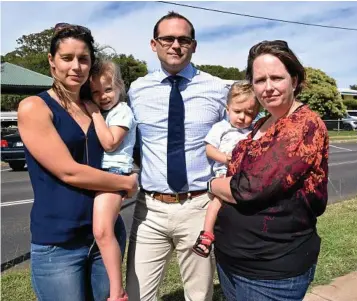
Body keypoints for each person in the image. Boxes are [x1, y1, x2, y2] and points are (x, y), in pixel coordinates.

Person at [17, 23, 138, 301]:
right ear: (52, 61)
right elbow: (68, 172)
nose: (76, 66)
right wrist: (126, 183)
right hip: (59, 242)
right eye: (67, 58)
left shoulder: (96, 106)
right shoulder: (35, 107)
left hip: (103, 235)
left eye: (83, 59)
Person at [207, 40, 329, 301]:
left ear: (294, 80)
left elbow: (251, 187)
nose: (268, 87)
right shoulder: (261, 122)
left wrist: (213, 185)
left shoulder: (304, 125)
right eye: (260, 80)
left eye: (276, 77)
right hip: (232, 259)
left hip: (271, 270)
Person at [125, 11, 229, 301]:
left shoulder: (217, 89)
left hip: (198, 207)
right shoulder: (137, 90)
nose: (175, 45)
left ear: (194, 46)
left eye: (184, 39)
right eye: (167, 38)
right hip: (149, 210)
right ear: (153, 44)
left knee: (199, 295)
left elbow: (238, 135)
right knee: (137, 294)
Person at [84, 59, 137, 301]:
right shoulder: (106, 111)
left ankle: (117, 291)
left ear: (119, 86)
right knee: (105, 231)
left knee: (102, 231)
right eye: (95, 92)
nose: (102, 96)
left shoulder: (122, 111)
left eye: (107, 89)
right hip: (100, 175)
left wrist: (93, 111)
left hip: (114, 175)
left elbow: (110, 142)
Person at [192, 81, 260, 258]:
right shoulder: (220, 128)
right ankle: (206, 235)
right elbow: (209, 149)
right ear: (227, 109)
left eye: (249, 113)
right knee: (217, 203)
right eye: (237, 111)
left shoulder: (254, 131)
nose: (242, 117)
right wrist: (227, 159)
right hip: (224, 173)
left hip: (245, 175)